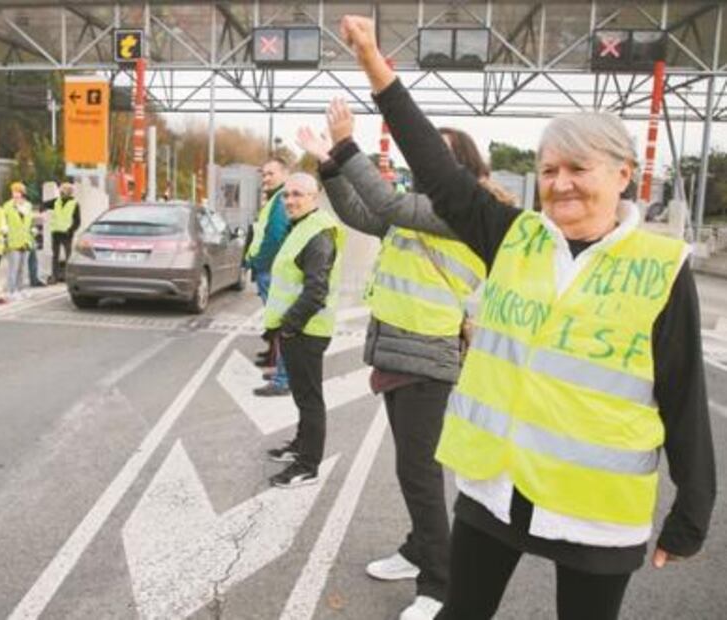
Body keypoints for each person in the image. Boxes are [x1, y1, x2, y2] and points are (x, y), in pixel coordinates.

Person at [341, 15, 716, 619]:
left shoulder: (661, 266)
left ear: (624, 174)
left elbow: (682, 391)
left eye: (577, 169)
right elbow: (437, 168)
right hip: (495, 488)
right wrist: (374, 66)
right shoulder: (512, 237)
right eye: (548, 171)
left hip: (594, 508)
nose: (560, 184)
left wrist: (692, 509)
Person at [298, 103, 502, 620]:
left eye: (432, 158)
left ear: (458, 168)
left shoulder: (464, 211)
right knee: (413, 470)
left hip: (428, 356)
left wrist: (345, 147)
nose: (421, 165)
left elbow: (384, 203)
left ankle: (439, 584)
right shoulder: (420, 209)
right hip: (398, 350)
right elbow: (362, 213)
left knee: (419, 474)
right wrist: (328, 166)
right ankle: (418, 552)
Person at [264, 172, 345, 488]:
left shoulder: (318, 234)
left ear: (315, 197)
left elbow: (316, 291)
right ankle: (300, 445)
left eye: (298, 194)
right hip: (300, 330)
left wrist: (288, 327)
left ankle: (308, 466)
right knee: (302, 395)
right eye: (286, 195)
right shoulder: (303, 227)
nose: (290, 201)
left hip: (306, 331)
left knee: (310, 399)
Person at [246, 157, 293, 396]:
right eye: (263, 174)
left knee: (281, 326)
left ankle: (283, 379)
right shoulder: (275, 198)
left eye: (270, 173)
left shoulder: (281, 200)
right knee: (277, 325)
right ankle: (281, 373)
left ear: (285, 173)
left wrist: (258, 262)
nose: (265, 178)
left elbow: (275, 237)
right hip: (270, 271)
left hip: (271, 271)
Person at [42, 181, 80, 283]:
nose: (61, 192)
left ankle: (69, 277)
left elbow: (77, 221)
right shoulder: (56, 201)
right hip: (56, 232)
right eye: (61, 190)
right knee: (55, 256)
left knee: (68, 256)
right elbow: (44, 204)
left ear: (68, 192)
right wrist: (42, 210)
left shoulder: (74, 204)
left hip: (67, 234)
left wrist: (70, 230)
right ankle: (54, 277)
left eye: (62, 190)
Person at [2, 182, 34, 299]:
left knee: (23, 267)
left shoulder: (28, 206)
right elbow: (2, 220)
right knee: (13, 267)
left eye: (18, 192)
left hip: (25, 240)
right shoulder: (7, 206)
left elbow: (30, 221)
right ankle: (11, 290)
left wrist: (32, 231)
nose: (15, 194)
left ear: (22, 193)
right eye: (14, 192)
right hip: (13, 240)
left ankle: (22, 289)